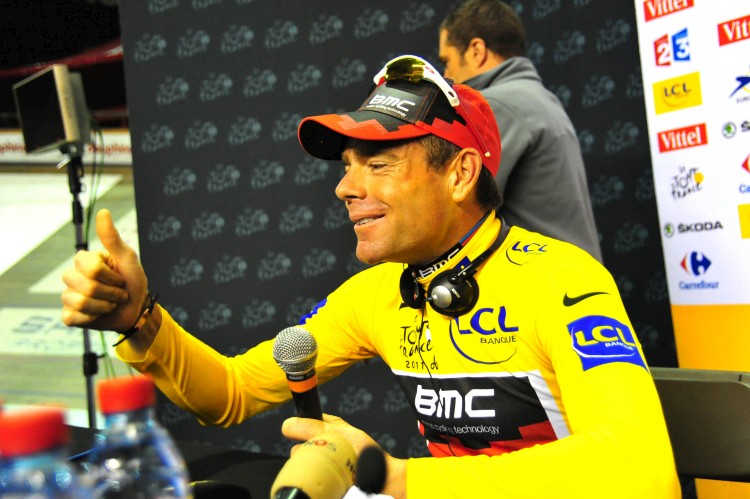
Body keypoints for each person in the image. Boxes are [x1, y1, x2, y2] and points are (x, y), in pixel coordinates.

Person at [61, 55, 679, 498]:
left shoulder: (561, 278)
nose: (345, 187)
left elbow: (641, 472)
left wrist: (401, 481)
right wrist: (140, 321)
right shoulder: (379, 293)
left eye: (377, 164)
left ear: (461, 174)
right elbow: (228, 392)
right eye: (347, 166)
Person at [439, 0, 604, 263]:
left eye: (446, 62)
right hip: (573, 274)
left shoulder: (495, 105)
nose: (446, 75)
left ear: (476, 51)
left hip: (547, 278)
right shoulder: (538, 98)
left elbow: (452, 212)